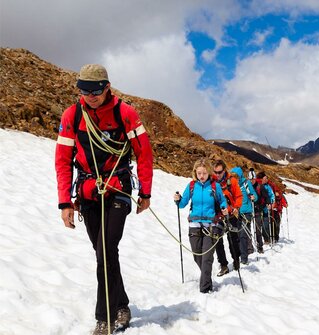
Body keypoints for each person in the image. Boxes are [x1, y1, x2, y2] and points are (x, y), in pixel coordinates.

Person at [55, 64, 153, 335]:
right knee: (104, 254)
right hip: (87, 193)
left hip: (117, 190)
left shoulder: (125, 114)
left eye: (95, 90)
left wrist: (145, 192)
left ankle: (104, 317)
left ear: (107, 87)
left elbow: (144, 154)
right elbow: (63, 161)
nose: (90, 96)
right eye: (84, 90)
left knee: (106, 251)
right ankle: (122, 304)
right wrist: (65, 203)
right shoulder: (72, 116)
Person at [174, 158, 228, 293]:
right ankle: (207, 278)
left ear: (209, 172)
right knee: (197, 256)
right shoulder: (192, 186)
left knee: (207, 258)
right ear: (195, 173)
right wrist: (178, 199)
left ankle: (204, 290)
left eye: (204, 173)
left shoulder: (215, 186)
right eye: (199, 173)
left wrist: (224, 208)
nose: (202, 176)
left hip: (211, 225)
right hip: (194, 225)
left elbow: (222, 201)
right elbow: (182, 204)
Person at [211, 160, 242, 276]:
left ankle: (236, 260)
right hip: (218, 215)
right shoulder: (212, 182)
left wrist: (236, 207)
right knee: (217, 240)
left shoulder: (232, 181)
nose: (217, 174)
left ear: (224, 170)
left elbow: (239, 196)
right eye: (215, 172)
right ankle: (223, 265)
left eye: (219, 172)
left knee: (233, 239)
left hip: (231, 214)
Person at [230, 166, 258, 264]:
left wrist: (253, 197)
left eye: (236, 176)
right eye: (232, 176)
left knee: (242, 235)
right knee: (236, 236)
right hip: (235, 213)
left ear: (240, 176)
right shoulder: (232, 185)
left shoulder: (246, 183)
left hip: (246, 213)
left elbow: (255, 196)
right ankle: (237, 257)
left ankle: (244, 259)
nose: (234, 178)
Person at [253, 171, 275, 248]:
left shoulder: (268, 186)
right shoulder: (257, 186)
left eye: (267, 178)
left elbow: (271, 195)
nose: (267, 180)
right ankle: (261, 240)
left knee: (265, 224)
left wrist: (271, 203)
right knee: (260, 224)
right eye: (265, 178)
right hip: (259, 208)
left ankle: (266, 239)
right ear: (261, 179)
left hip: (265, 208)